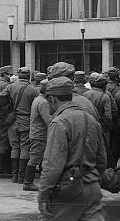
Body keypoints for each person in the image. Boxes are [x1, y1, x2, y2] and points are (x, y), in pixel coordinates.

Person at [38, 76, 106, 220]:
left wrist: (43, 194)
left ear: (52, 99)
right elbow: (102, 159)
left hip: (69, 190)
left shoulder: (59, 122)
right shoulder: (91, 119)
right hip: (93, 187)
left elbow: (52, 165)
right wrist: (93, 179)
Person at [0, 67, 38, 185]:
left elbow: (0, 98)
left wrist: (5, 112)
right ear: (29, 76)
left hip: (12, 120)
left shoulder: (11, 86)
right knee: (25, 147)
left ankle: (14, 176)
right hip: (26, 119)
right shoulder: (32, 89)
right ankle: (21, 176)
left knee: (14, 147)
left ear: (19, 75)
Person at [24, 78, 51, 191]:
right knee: (35, 158)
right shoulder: (43, 102)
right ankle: (28, 182)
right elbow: (48, 120)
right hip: (40, 134)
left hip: (36, 132)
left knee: (38, 158)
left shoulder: (37, 99)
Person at [84, 73, 114, 168]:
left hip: (87, 125)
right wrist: (109, 128)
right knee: (102, 149)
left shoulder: (85, 94)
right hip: (102, 127)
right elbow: (108, 116)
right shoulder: (105, 96)